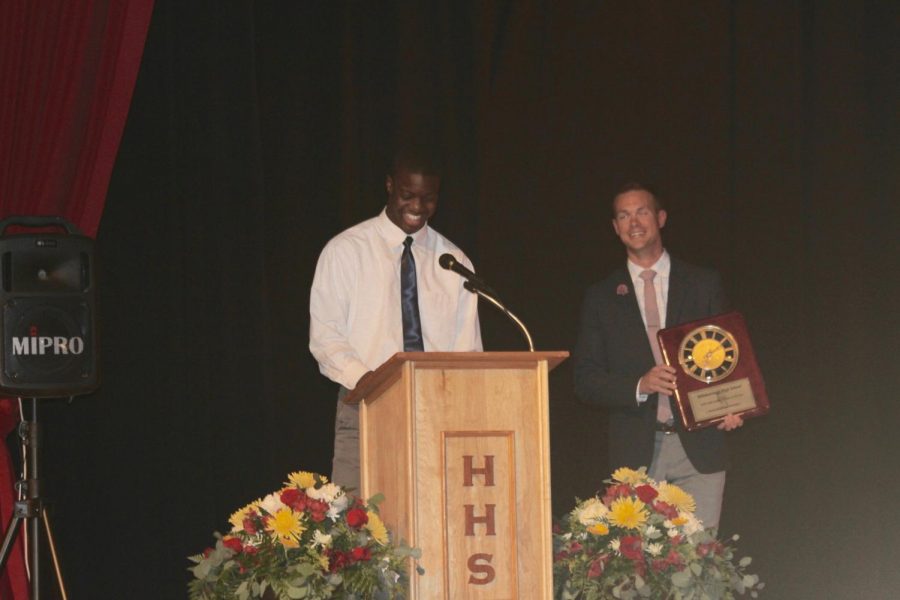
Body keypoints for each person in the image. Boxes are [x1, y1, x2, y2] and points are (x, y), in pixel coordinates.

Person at [309, 146, 482, 492]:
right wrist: (374, 383)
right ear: (389, 186)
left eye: (428, 198)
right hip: (366, 406)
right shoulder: (346, 251)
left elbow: (467, 351)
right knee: (360, 531)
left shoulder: (453, 260)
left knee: (433, 519)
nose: (418, 208)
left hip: (436, 411)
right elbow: (325, 337)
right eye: (407, 195)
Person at [574, 183, 742, 529]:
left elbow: (727, 355)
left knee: (699, 568)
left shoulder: (702, 283)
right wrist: (640, 384)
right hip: (635, 452)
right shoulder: (601, 297)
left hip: (700, 448)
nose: (633, 222)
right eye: (624, 215)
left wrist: (732, 402)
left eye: (642, 212)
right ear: (615, 227)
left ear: (661, 218)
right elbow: (586, 380)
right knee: (639, 575)